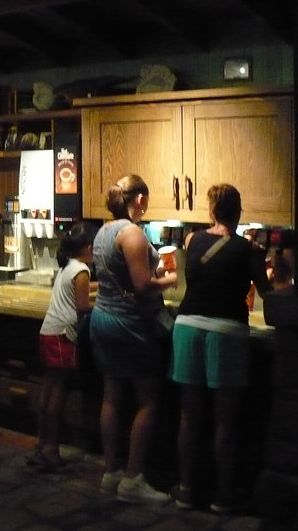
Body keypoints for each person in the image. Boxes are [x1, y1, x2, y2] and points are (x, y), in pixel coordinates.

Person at [169, 183, 273, 514]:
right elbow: (268, 293)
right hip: (226, 331)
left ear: (211, 211)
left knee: (189, 415)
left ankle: (187, 489)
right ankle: (224, 495)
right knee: (225, 420)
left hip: (187, 326)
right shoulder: (248, 249)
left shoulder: (192, 240)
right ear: (238, 212)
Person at [90, 174, 178, 504]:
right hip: (129, 324)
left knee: (111, 397)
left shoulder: (103, 232)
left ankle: (111, 472)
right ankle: (132, 480)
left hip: (102, 319)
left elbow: (123, 275)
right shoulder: (133, 234)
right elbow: (141, 285)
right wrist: (169, 279)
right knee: (148, 401)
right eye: (147, 200)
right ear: (139, 199)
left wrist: (154, 274)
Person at [27, 221, 98, 473]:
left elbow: (79, 290)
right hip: (63, 336)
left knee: (48, 389)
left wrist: (103, 286)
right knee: (58, 392)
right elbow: (82, 305)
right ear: (89, 248)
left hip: (48, 331)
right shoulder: (82, 270)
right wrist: (106, 304)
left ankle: (41, 442)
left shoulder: (68, 267)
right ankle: (51, 449)